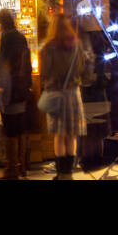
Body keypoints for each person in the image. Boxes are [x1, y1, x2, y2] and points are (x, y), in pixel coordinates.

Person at [39, 13, 89, 179]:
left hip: (57, 94)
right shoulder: (77, 45)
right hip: (74, 94)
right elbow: (83, 68)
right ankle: (69, 174)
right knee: (71, 135)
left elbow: (45, 73)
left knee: (59, 136)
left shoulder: (48, 48)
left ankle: (61, 174)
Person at [0, 10, 32, 179]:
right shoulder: (21, 37)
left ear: (1, 23)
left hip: (11, 89)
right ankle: (22, 166)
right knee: (21, 127)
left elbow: (4, 65)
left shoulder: (6, 37)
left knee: (10, 130)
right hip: (22, 87)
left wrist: (0, 86)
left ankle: (11, 169)